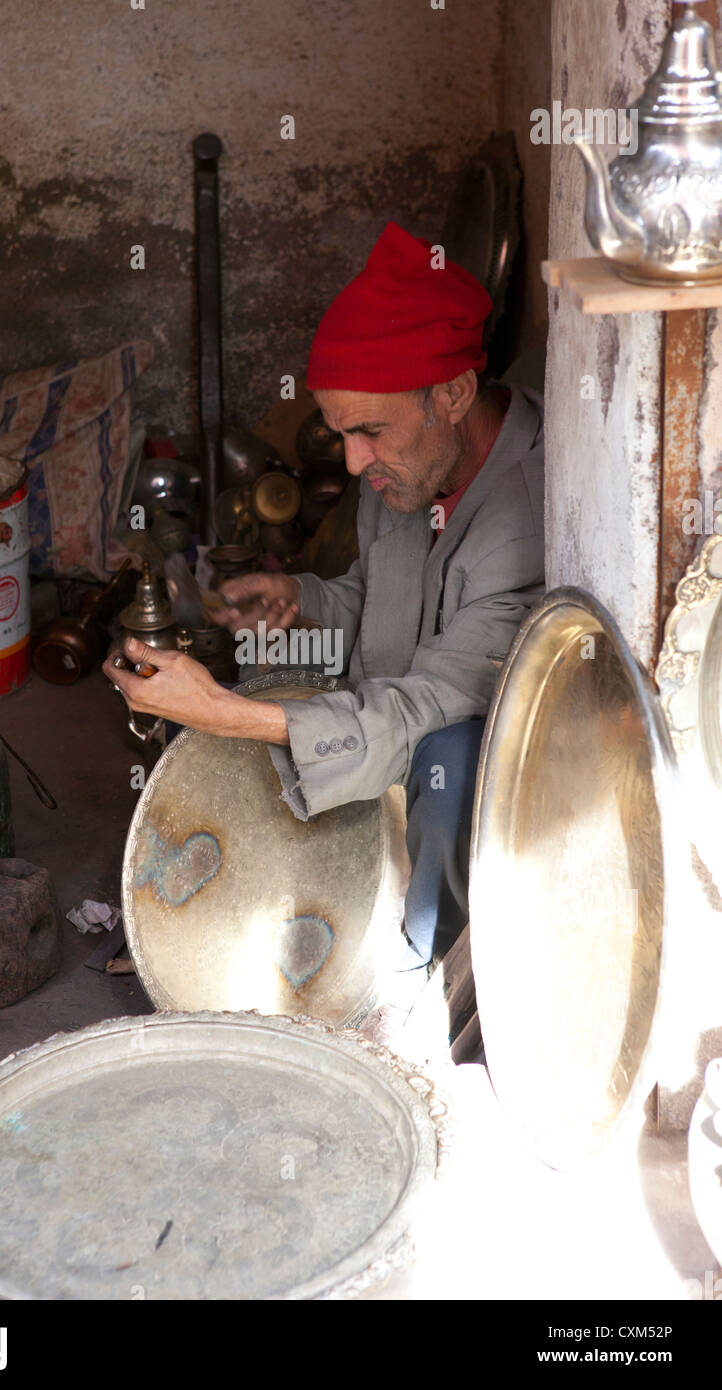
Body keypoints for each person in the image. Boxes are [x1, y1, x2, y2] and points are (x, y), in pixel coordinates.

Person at [105, 221, 545, 1041]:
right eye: (339, 432)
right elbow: (377, 603)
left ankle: (416, 992)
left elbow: (424, 710)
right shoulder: (411, 470)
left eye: (368, 431)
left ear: (451, 394)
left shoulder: (526, 519)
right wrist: (298, 602)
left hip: (490, 788)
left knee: (451, 755)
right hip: (393, 732)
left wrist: (227, 715)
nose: (349, 464)